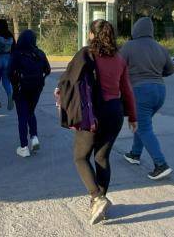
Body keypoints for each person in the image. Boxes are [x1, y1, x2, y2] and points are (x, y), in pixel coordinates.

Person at [56, 19, 137, 225]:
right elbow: (127, 90)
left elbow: (69, 79)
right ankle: (99, 205)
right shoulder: (119, 59)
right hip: (114, 112)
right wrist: (133, 117)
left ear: (92, 34)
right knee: (102, 157)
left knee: (80, 157)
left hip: (92, 113)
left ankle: (97, 197)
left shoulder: (86, 53)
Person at [120, 17, 174, 180]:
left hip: (140, 91)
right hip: (160, 91)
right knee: (143, 123)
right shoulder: (160, 48)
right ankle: (135, 154)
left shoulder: (129, 46)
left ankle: (161, 164)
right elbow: (170, 70)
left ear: (135, 30)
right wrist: (156, 74)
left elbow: (118, 66)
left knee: (143, 128)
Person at [9, 29, 51, 158]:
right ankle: (34, 137)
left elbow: (9, 72)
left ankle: (24, 147)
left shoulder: (17, 54)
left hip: (21, 88)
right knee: (31, 112)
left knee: (22, 116)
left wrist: (15, 82)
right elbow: (48, 70)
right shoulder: (39, 53)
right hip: (36, 88)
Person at [0, 19, 15, 109]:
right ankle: (10, 95)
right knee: (6, 81)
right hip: (7, 58)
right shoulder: (9, 35)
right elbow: (14, 48)